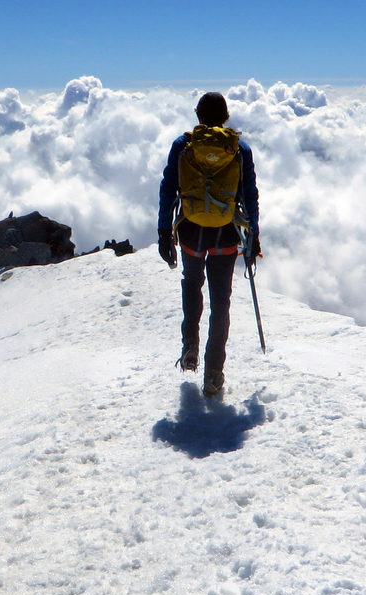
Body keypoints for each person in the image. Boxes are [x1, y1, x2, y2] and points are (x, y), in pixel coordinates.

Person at [157, 92, 260, 398]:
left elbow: (168, 189)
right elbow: (249, 195)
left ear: (198, 114)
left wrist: (164, 232)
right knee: (221, 302)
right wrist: (253, 237)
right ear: (226, 116)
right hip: (225, 236)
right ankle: (213, 374)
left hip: (190, 233)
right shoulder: (239, 149)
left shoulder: (183, 145)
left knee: (191, 284)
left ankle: (190, 345)